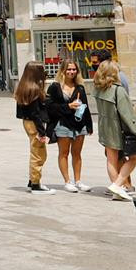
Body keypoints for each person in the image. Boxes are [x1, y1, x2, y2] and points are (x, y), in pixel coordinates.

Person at [92, 60, 136, 201]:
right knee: (135, 158)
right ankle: (117, 185)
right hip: (117, 128)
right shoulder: (118, 90)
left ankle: (117, 190)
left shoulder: (98, 89)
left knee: (111, 160)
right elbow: (127, 114)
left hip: (105, 127)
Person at [47, 60, 92, 193]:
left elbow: (86, 107)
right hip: (63, 124)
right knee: (64, 153)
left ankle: (78, 181)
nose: (71, 72)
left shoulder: (80, 87)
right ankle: (67, 181)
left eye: (74, 70)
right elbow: (49, 107)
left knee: (77, 154)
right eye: (69, 69)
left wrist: (89, 125)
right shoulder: (55, 87)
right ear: (63, 71)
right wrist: (68, 106)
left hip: (79, 124)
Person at [14, 61, 53, 193]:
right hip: (35, 124)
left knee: (36, 151)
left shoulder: (23, 87)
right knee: (39, 154)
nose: (44, 73)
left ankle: (32, 180)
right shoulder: (34, 89)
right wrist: (42, 133)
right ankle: (35, 183)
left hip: (27, 122)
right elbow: (36, 114)